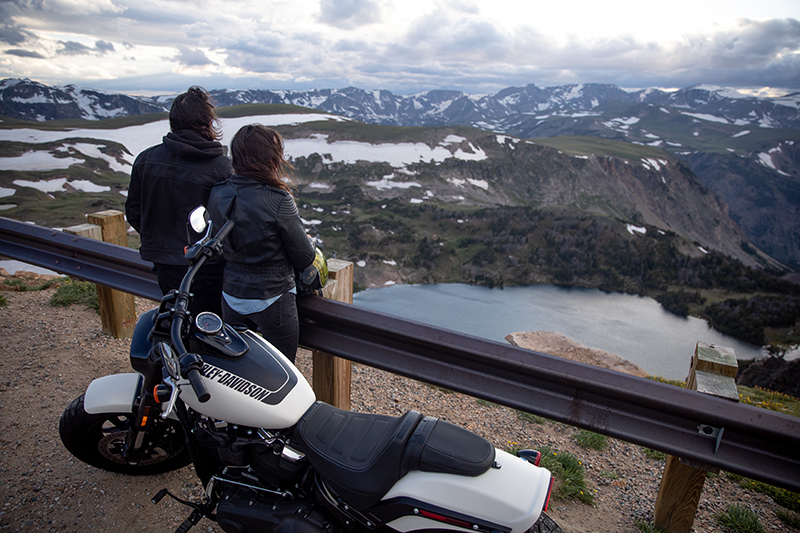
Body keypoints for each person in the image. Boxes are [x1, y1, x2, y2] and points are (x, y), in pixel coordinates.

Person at [207, 124, 315, 362]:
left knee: (238, 368)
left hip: (231, 293)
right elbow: (304, 258)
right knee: (282, 369)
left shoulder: (217, 193)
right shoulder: (279, 199)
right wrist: (310, 244)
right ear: (271, 158)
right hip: (274, 297)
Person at [125, 86, 232, 316]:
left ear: (173, 121)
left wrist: (160, 241)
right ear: (207, 123)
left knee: (177, 321)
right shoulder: (222, 167)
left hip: (164, 263)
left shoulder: (146, 160)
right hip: (208, 267)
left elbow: (134, 212)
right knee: (209, 326)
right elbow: (232, 223)